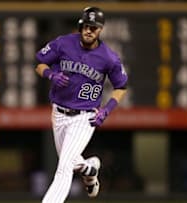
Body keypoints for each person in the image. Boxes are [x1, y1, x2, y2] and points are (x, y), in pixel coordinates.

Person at [35, 7, 128, 203]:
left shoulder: (109, 57)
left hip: (85, 117)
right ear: (81, 26)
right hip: (58, 112)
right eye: (86, 26)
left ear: (100, 30)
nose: (89, 31)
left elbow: (121, 87)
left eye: (93, 28)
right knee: (70, 161)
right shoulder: (63, 43)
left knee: (64, 167)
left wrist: (107, 110)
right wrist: (50, 74)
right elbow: (40, 63)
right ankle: (90, 168)